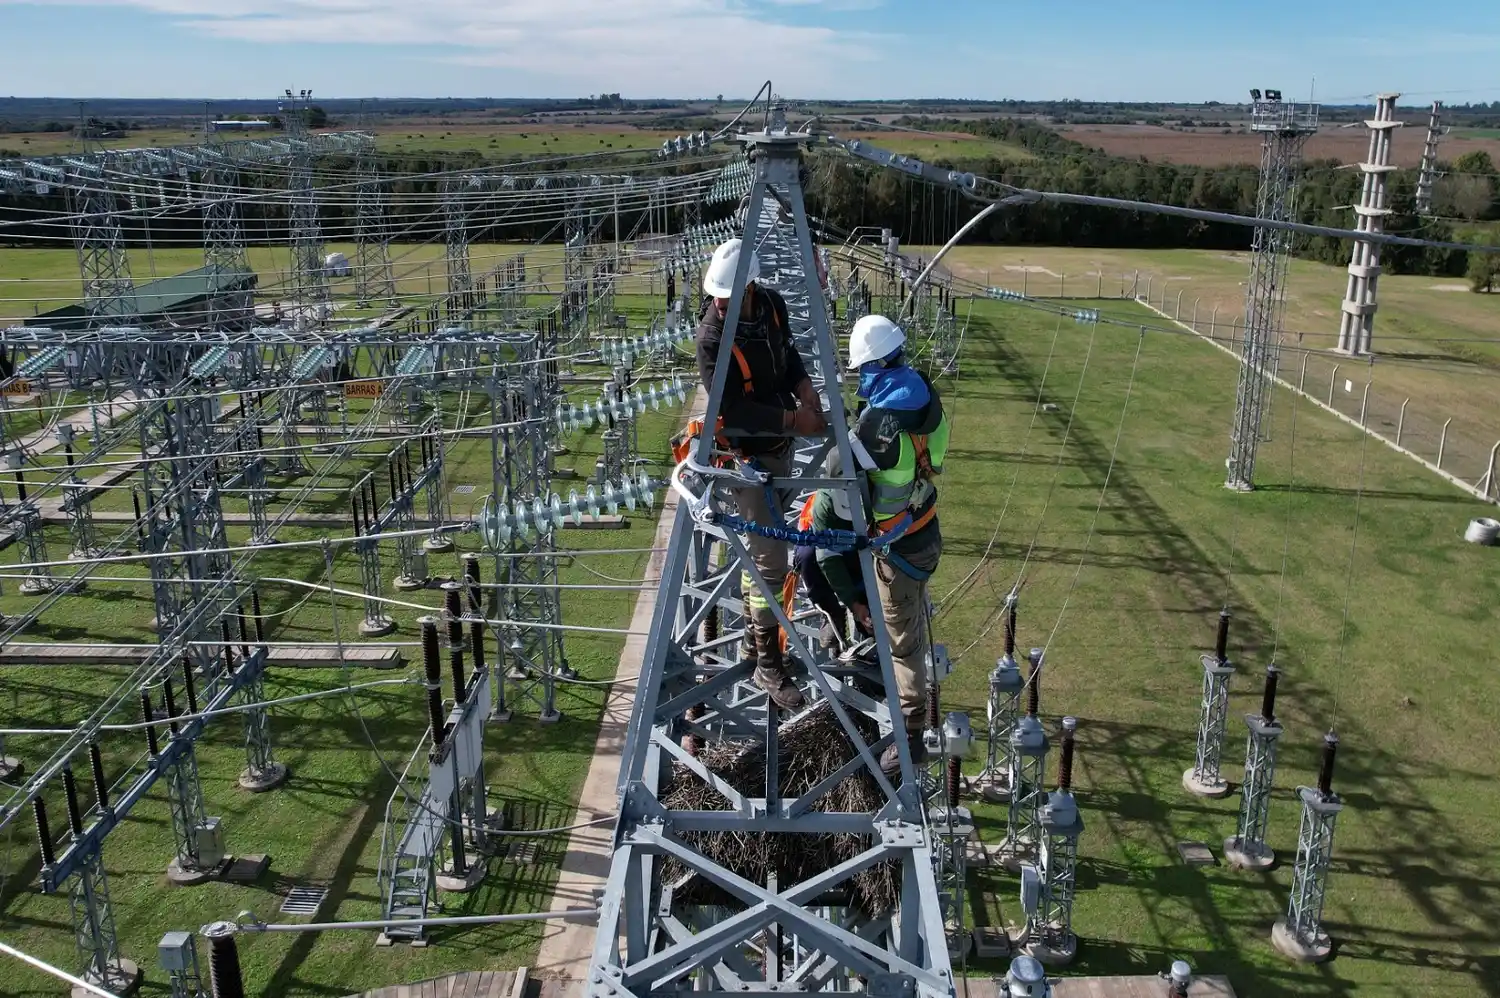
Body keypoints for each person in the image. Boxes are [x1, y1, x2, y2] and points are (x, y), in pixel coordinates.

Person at [694, 238, 826, 710]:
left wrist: (805, 388)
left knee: (762, 556)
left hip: (780, 446)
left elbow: (787, 358)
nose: (720, 302)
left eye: (728, 294)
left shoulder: (770, 305)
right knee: (769, 560)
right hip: (747, 459)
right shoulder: (712, 338)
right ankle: (769, 665)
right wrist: (795, 420)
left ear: (750, 286)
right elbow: (731, 408)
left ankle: (754, 640)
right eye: (718, 295)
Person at [846, 314, 950, 775]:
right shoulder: (924, 395)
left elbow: (840, 467)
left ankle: (908, 740)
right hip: (924, 529)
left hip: (899, 548)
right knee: (907, 624)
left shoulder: (878, 421)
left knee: (904, 644)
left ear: (872, 365)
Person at [789, 451, 873, 655]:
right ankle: (832, 613)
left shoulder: (874, 489)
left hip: (859, 545)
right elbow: (827, 559)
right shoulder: (824, 504)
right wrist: (852, 603)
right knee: (807, 557)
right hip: (823, 547)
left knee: (869, 573)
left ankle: (869, 626)